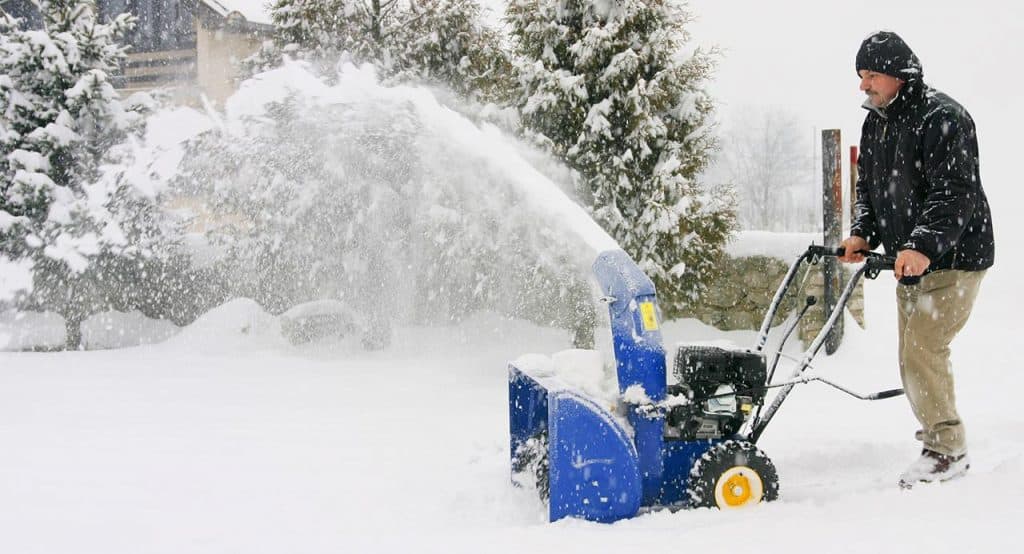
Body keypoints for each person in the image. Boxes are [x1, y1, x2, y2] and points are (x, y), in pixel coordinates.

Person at [838, 31, 994, 488]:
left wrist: (923, 245)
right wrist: (863, 233)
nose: (864, 85)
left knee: (923, 348)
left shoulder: (944, 118)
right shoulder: (877, 123)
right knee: (910, 356)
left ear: (899, 75)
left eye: (871, 75)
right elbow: (868, 187)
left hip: (955, 257)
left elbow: (955, 192)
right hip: (909, 260)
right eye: (861, 76)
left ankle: (947, 450)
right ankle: (936, 438)